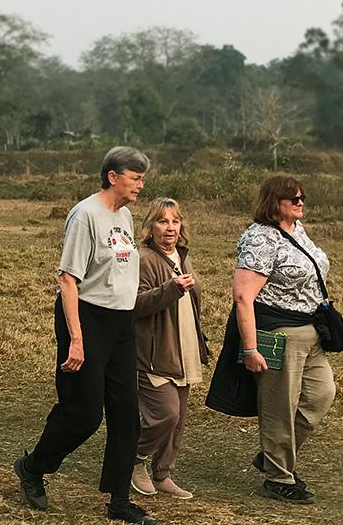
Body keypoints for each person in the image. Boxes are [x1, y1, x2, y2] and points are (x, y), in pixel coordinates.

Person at [14, 147, 158, 525]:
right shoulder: (85, 215)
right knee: (84, 413)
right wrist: (77, 339)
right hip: (87, 319)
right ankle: (33, 467)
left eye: (143, 178)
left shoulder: (124, 215)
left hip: (120, 324)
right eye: (135, 177)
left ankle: (119, 500)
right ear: (113, 176)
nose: (141, 184)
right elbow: (68, 280)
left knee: (127, 415)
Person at [231, 175, 336, 505]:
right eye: (293, 199)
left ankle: (272, 454)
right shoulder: (260, 239)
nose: (301, 202)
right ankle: (278, 478)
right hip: (279, 332)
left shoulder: (296, 230)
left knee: (321, 394)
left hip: (311, 329)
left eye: (302, 197)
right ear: (275, 203)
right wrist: (250, 348)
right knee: (279, 406)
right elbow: (243, 297)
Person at [128, 198, 208, 500]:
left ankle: (162, 473)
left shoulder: (182, 256)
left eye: (175, 221)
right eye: (163, 221)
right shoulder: (144, 258)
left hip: (183, 347)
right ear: (151, 226)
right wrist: (171, 288)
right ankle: (134, 458)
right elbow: (135, 305)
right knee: (166, 414)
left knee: (179, 418)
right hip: (153, 353)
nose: (170, 228)